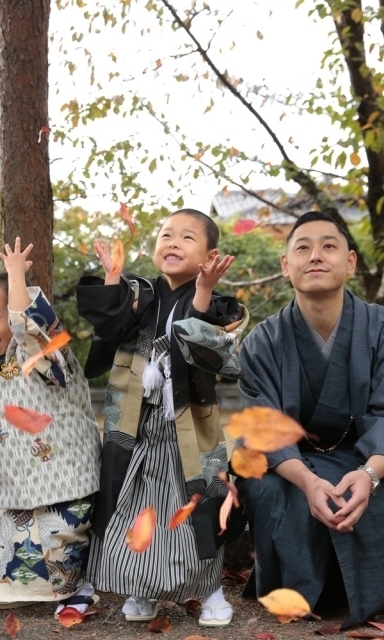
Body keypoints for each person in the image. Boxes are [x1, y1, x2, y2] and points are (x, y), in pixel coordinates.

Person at [235, 211, 384, 627]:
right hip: (294, 464)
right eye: (303, 248)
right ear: (285, 266)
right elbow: (262, 428)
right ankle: (295, 593)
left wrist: (369, 475)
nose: (316, 256)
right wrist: (309, 481)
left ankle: (379, 592)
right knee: (266, 490)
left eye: (329, 246)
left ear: (349, 262)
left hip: (368, 459)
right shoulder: (262, 341)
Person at [76, 208, 249, 628]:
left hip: (190, 430)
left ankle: (210, 590)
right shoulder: (139, 292)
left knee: (197, 508)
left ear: (211, 255)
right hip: (132, 427)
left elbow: (211, 355)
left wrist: (203, 291)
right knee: (132, 507)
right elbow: (110, 327)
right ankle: (141, 587)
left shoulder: (224, 306)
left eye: (187, 238)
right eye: (166, 235)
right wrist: (114, 276)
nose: (172, 242)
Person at [0, 237, 102, 616]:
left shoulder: (45, 348)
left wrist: (16, 275)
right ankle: (32, 590)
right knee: (22, 536)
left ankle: (80, 591)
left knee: (63, 532)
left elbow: (29, 325)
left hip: (63, 466)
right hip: (18, 471)